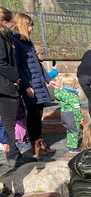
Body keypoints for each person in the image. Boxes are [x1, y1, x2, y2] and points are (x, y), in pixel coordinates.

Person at [13, 13, 54, 158]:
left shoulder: (28, 42)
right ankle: (34, 146)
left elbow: (37, 63)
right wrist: (25, 86)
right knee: (33, 115)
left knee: (39, 113)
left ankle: (40, 142)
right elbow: (19, 67)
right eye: (30, 25)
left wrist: (48, 79)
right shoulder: (16, 42)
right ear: (23, 25)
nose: (31, 28)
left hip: (39, 83)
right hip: (30, 85)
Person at [0, 7, 23, 171]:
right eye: (9, 22)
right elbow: (1, 62)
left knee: (8, 122)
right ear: (3, 21)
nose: (11, 25)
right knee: (9, 122)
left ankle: (14, 153)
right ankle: (14, 156)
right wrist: (16, 78)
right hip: (4, 85)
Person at [48, 74, 83, 153]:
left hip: (64, 114)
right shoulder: (73, 95)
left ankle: (69, 144)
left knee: (69, 130)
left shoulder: (61, 93)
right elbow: (76, 108)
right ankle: (73, 148)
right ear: (73, 84)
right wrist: (80, 117)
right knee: (75, 131)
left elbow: (56, 94)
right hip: (72, 114)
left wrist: (57, 88)